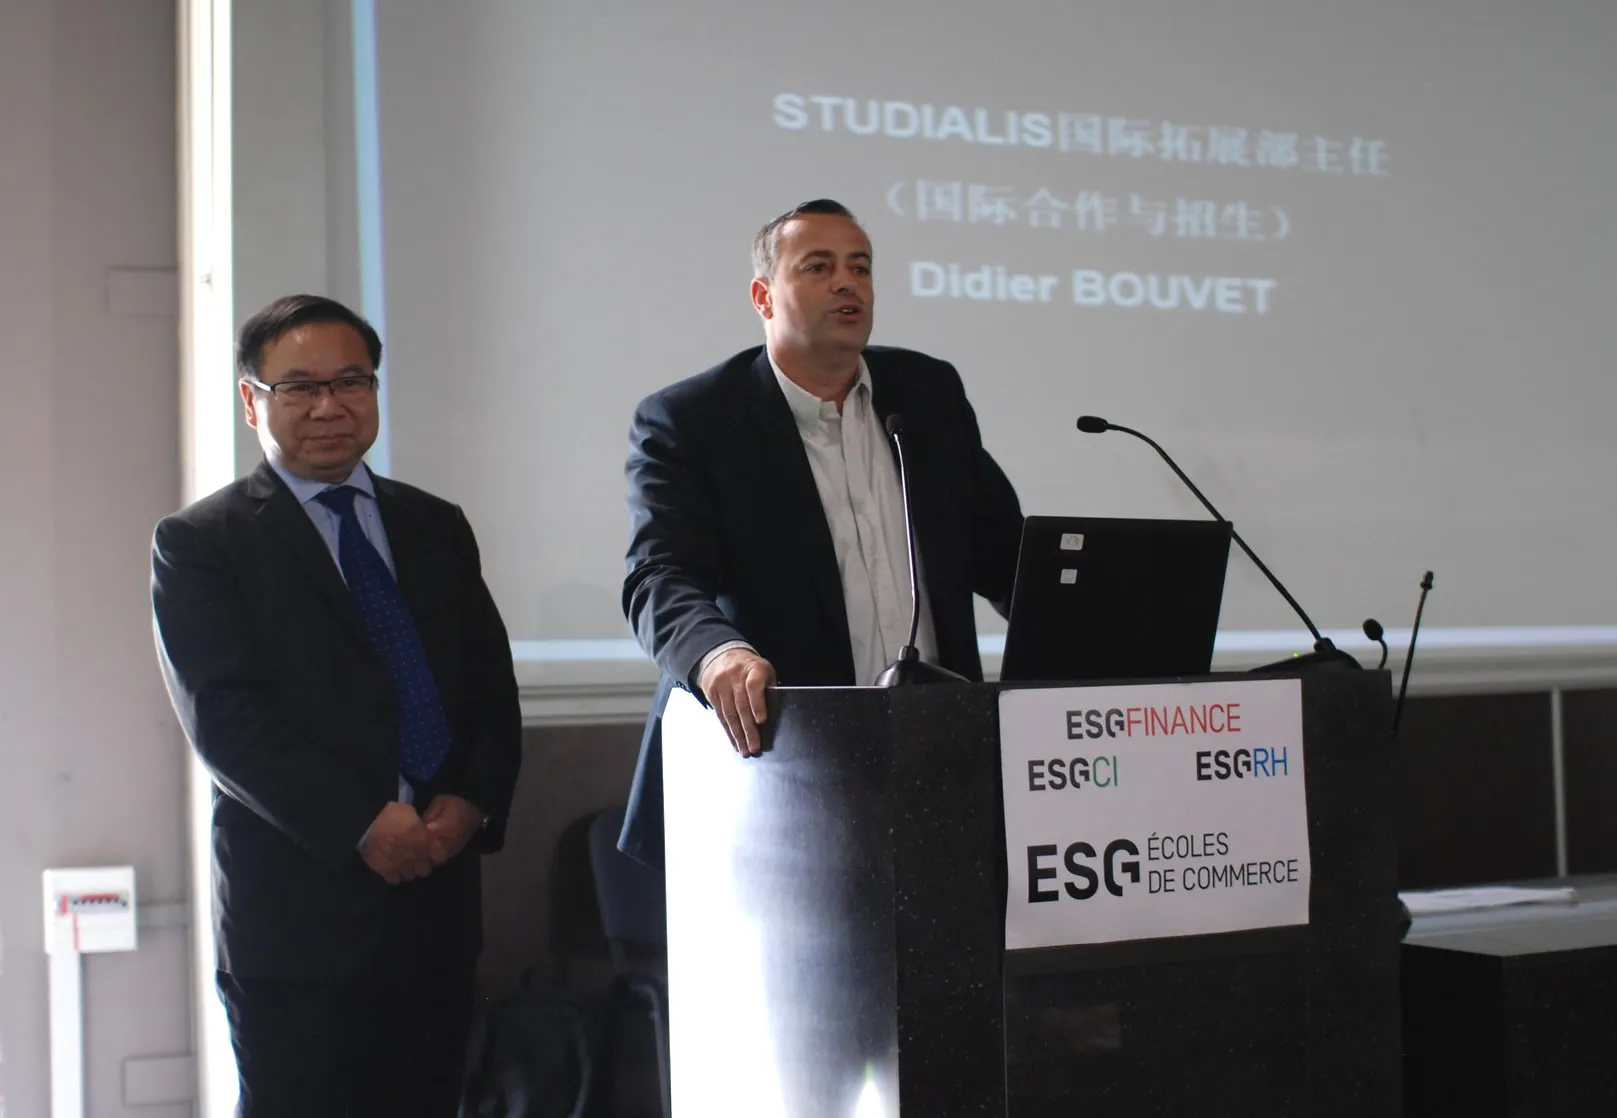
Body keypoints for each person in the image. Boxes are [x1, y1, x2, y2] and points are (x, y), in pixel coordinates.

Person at [151, 294, 522, 1118]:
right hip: (298, 918)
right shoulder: (201, 543)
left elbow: (489, 693)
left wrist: (469, 803)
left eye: (351, 381)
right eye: (299, 387)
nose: (329, 406)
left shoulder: (435, 525)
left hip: (437, 901)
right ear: (252, 401)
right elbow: (227, 724)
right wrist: (360, 823)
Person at [617, 196, 1024, 863]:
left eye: (860, 268)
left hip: (940, 753)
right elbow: (659, 575)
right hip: (777, 766)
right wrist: (718, 654)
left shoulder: (926, 394)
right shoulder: (693, 420)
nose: (847, 283)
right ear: (763, 296)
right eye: (818, 267)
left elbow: (1001, 552)